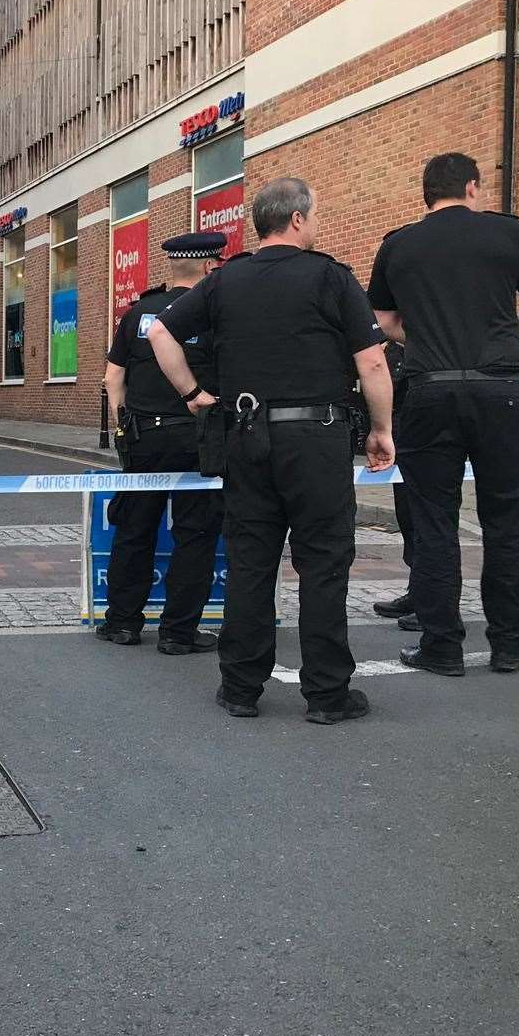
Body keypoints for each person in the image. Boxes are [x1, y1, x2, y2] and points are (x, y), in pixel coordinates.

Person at [148, 177, 395, 724]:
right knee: (324, 564)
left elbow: (161, 333)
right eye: (318, 214)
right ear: (300, 220)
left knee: (251, 562)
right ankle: (327, 695)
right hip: (317, 438)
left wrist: (193, 395)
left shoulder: (225, 280)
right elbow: (373, 362)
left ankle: (240, 687)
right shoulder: (332, 277)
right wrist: (382, 428)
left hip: (245, 433)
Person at [367, 153, 519, 677]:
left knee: (433, 524)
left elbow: (382, 321)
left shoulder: (399, 244)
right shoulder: (508, 235)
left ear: (427, 194)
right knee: (509, 522)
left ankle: (442, 647)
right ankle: (510, 644)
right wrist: (500, 340)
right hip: (502, 391)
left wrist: (426, 339)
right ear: (472, 187)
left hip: (429, 391)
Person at [97, 231, 227, 653]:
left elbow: (112, 378)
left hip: (143, 437)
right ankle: (177, 633)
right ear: (210, 266)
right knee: (196, 534)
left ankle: (122, 624)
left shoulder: (138, 313)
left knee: (135, 529)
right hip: (197, 438)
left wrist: (121, 427)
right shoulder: (215, 311)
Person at [370, 340, 422, 631]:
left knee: (426, 518)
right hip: (403, 431)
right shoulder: (395, 346)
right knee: (408, 517)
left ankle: (434, 599)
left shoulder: (420, 339)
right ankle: (418, 592)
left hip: (422, 429)